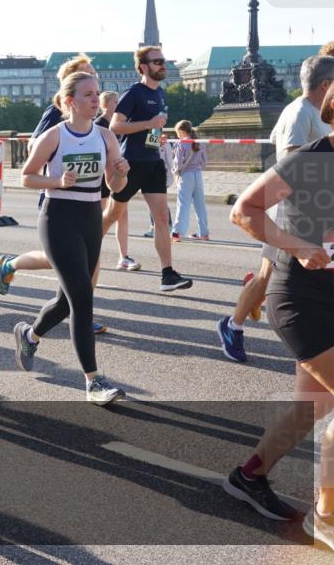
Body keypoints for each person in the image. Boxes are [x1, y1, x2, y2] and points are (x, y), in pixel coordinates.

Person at [222, 80, 334, 549]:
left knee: (313, 407)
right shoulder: (311, 161)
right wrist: (302, 246)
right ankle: (326, 517)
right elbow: (245, 211)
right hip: (299, 299)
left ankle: (250, 476)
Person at [12, 72, 130, 404]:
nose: (96, 99)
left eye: (97, 94)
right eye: (88, 94)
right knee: (82, 296)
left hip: (90, 218)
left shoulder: (106, 136)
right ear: (70, 101)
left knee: (67, 301)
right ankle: (94, 381)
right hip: (58, 218)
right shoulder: (54, 136)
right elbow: (26, 178)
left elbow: (114, 187)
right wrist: (58, 182)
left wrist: (119, 173)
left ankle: (29, 335)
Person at [217, 55, 334, 362]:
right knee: (275, 276)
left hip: (308, 213)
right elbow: (291, 161)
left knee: (271, 275)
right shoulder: (299, 112)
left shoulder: (306, 111)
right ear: (326, 86)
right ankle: (235, 323)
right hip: (292, 212)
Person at [0, 56, 111, 334]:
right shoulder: (56, 113)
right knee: (67, 260)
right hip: (59, 196)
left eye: (95, 81)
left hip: (91, 195)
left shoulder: (95, 117)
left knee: (84, 262)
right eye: (87, 77)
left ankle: (79, 308)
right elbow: (36, 145)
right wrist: (60, 168)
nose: (95, 90)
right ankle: (14, 265)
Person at [102, 45, 193, 291]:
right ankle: (84, 252)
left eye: (163, 61)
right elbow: (115, 126)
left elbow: (152, 128)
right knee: (111, 215)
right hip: (131, 163)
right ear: (144, 67)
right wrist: (148, 124)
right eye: (157, 62)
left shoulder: (161, 93)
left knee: (162, 218)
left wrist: (155, 135)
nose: (163, 65)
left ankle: (168, 274)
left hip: (153, 162)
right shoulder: (134, 93)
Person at [96, 92, 139, 270]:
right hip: (101, 178)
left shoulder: (122, 125)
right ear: (105, 105)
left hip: (118, 176)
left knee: (122, 215)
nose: (119, 105)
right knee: (99, 218)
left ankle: (124, 256)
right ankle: (92, 252)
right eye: (116, 102)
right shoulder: (98, 125)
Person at [171, 120, 210, 241]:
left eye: (177, 132)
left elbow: (177, 163)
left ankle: (177, 232)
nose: (177, 134)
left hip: (186, 175)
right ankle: (203, 233)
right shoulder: (199, 142)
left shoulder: (181, 143)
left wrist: (175, 172)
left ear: (181, 131)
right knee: (200, 204)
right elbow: (204, 162)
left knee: (183, 204)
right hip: (197, 174)